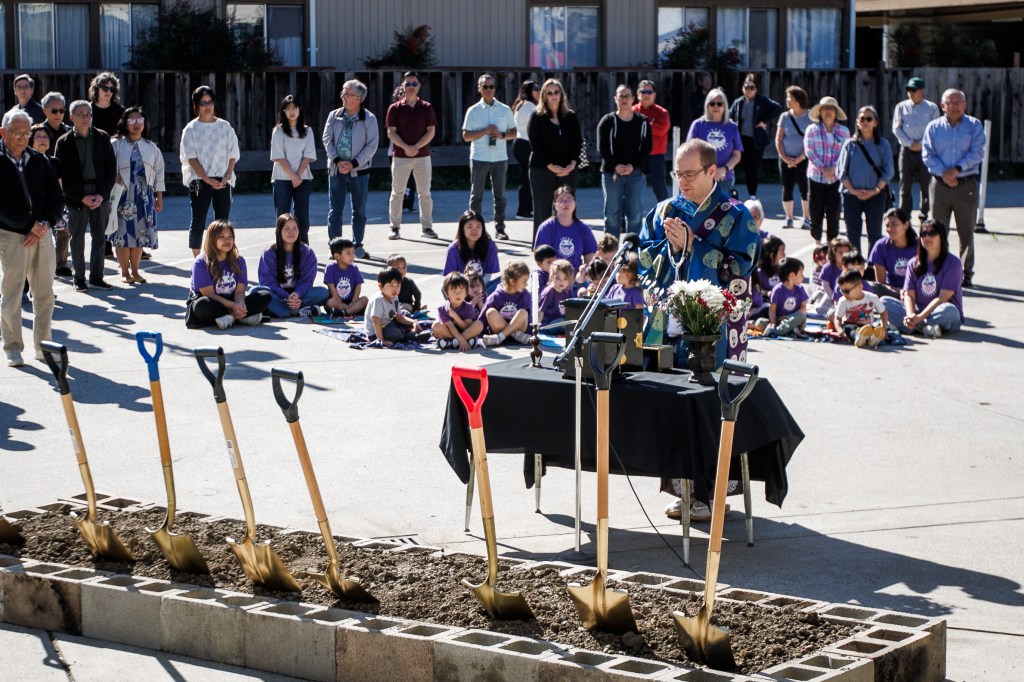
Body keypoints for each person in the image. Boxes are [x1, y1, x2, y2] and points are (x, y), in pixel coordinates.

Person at [638, 139, 761, 366]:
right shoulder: (664, 211)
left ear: (711, 171)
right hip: (665, 326)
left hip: (713, 331)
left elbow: (740, 269)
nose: (682, 182)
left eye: (690, 174)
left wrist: (694, 246)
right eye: (677, 174)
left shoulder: (736, 215)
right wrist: (671, 250)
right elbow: (643, 258)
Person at [0, 110, 62, 367]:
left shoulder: (39, 159)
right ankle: (13, 347)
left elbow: (56, 198)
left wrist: (44, 223)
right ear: (3, 134)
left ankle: (43, 346)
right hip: (12, 234)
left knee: (45, 293)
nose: (23, 138)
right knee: (13, 294)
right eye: (16, 133)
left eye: (26, 133)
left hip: (43, 233)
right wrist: (28, 226)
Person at [922, 89, 985, 288]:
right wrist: (945, 173)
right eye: (950, 102)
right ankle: (941, 270)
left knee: (966, 231)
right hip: (940, 185)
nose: (955, 105)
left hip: (965, 185)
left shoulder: (974, 125)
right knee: (938, 231)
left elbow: (978, 152)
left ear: (965, 105)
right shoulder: (933, 127)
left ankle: (966, 274)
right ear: (942, 105)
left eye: (959, 101)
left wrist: (956, 170)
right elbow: (928, 155)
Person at [53, 100, 116, 291]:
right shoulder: (64, 142)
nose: (85, 117)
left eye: (88, 114)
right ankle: (78, 277)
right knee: (77, 237)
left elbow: (110, 169)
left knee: (99, 238)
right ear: (71, 117)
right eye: (81, 114)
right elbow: (61, 174)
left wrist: (101, 194)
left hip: (99, 195)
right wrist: (81, 196)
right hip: (76, 197)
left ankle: (97, 277)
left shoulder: (102, 137)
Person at [180, 86, 240, 256]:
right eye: (203, 103)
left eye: (210, 102)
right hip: (200, 180)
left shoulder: (224, 126)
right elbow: (190, 157)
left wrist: (228, 174)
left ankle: (221, 257)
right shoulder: (190, 129)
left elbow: (233, 152)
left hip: (223, 179)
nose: (207, 106)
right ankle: (198, 261)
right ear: (196, 106)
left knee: (222, 223)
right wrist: (206, 178)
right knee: (198, 221)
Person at [881, 219, 964, 338]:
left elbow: (942, 298)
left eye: (932, 233)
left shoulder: (953, 263)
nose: (927, 237)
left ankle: (915, 327)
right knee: (884, 302)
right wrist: (911, 315)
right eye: (923, 234)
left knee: (949, 311)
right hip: (918, 312)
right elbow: (909, 295)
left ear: (942, 237)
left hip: (939, 312)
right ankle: (925, 329)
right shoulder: (913, 263)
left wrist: (919, 318)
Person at [324, 80, 378, 258]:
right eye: (343, 92)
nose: (343, 96)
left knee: (359, 210)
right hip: (336, 169)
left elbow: (372, 146)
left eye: (347, 94)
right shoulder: (334, 115)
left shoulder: (369, 119)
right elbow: (327, 140)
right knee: (335, 210)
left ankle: (357, 245)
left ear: (358, 98)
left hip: (359, 171)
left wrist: (354, 163)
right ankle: (335, 246)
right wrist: (338, 160)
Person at [110, 106, 163, 284]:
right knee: (123, 235)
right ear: (125, 123)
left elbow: (159, 172)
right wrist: (112, 176)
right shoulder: (116, 144)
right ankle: (124, 272)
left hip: (144, 196)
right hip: (123, 194)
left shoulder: (151, 147)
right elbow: (107, 166)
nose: (136, 124)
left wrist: (158, 196)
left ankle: (136, 271)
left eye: (140, 120)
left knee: (140, 233)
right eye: (132, 120)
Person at [185, 220, 270, 330]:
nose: (227, 240)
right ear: (212, 239)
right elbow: (209, 294)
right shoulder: (200, 263)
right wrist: (233, 306)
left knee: (265, 295)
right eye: (222, 237)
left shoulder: (239, 260)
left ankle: (232, 317)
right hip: (213, 302)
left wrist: (240, 303)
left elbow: (239, 291)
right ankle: (240, 317)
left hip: (232, 300)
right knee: (202, 305)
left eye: (230, 236)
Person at [463, 74, 517, 240]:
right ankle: (475, 229)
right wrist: (484, 131)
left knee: (500, 195)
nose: (488, 90)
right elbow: (466, 136)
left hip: (500, 157)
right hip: (480, 157)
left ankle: (500, 228)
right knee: (476, 195)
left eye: (491, 86)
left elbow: (514, 132)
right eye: (485, 87)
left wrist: (501, 135)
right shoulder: (473, 110)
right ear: (479, 89)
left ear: (495, 88)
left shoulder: (505, 109)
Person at [386, 71, 437, 240]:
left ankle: (427, 227)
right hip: (400, 157)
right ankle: (394, 227)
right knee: (397, 193)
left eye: (414, 83)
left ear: (419, 86)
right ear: (402, 86)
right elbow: (391, 133)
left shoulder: (427, 107)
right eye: (407, 84)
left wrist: (416, 147)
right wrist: (406, 148)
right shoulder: (394, 108)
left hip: (422, 156)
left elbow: (431, 131)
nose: (411, 87)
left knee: (425, 193)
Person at [527, 78, 582, 235]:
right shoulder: (537, 116)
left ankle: (568, 245)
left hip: (567, 170)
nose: (553, 96)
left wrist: (572, 164)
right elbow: (535, 145)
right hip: (542, 170)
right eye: (549, 93)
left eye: (556, 92)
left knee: (567, 209)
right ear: (544, 95)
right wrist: (551, 166)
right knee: (542, 210)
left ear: (561, 94)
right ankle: (541, 250)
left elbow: (577, 142)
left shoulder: (570, 116)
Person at [838, 105, 894, 257]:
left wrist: (875, 190)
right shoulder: (849, 144)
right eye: (862, 119)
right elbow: (841, 172)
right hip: (851, 195)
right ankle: (855, 264)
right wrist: (854, 191)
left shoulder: (883, 145)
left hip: (875, 195)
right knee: (853, 233)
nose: (865, 122)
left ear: (875, 122)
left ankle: (872, 266)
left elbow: (888, 172)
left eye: (869, 119)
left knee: (875, 233)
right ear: (857, 122)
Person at [597, 84, 652, 237]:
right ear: (616, 99)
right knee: (612, 215)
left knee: (635, 215)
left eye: (627, 96)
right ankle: (611, 252)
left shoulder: (642, 122)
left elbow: (646, 148)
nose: (624, 99)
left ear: (633, 99)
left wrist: (632, 166)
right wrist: (616, 165)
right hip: (611, 173)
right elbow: (602, 148)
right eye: (621, 96)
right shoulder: (607, 121)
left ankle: (633, 254)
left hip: (635, 173)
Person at [253, 214, 328, 319]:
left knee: (323, 292)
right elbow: (267, 282)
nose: (291, 232)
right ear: (279, 231)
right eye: (287, 228)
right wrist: (286, 296)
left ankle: (282, 311)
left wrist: (297, 294)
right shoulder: (269, 253)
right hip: (278, 295)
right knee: (255, 291)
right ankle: (297, 311)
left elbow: (307, 281)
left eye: (295, 228)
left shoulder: (307, 252)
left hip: (299, 296)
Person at [892, 77, 940, 221]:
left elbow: (935, 129)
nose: (910, 93)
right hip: (907, 150)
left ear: (922, 90)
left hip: (926, 150)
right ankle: (904, 213)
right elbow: (896, 128)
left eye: (914, 90)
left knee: (926, 183)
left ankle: (924, 211)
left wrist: (922, 143)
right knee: (905, 184)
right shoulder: (901, 107)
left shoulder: (932, 108)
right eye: (908, 90)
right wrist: (909, 142)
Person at [270, 95, 316, 246]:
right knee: (283, 216)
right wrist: (292, 175)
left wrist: (298, 176)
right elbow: (279, 156)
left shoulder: (308, 131)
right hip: (282, 178)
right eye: (287, 109)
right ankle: (282, 249)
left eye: (294, 108)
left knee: (302, 217)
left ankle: (304, 249)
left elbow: (308, 156)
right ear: (283, 111)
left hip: (303, 179)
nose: (291, 112)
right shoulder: (278, 131)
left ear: (299, 110)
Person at [804, 96, 850, 245]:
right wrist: (823, 168)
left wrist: (834, 168)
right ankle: (817, 243)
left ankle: (832, 244)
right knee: (815, 212)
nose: (828, 112)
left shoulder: (844, 131)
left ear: (836, 113)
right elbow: (809, 150)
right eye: (825, 109)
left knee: (834, 213)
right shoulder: (812, 129)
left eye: (831, 109)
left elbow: (846, 153)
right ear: (820, 112)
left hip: (836, 178)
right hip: (816, 176)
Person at [729, 73, 781, 200]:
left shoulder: (761, 101)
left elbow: (777, 108)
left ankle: (752, 196)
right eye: (746, 87)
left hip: (755, 141)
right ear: (742, 88)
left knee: (752, 169)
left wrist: (764, 120)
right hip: (740, 140)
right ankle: (730, 192)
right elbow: (729, 116)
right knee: (732, 166)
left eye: (752, 87)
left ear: (756, 89)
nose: (749, 90)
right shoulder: (738, 102)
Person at [30, 122, 71, 278]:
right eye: (38, 136)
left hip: (54, 204)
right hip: (36, 208)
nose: (42, 139)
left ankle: (61, 264)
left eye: (45, 136)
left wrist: (60, 204)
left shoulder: (54, 161)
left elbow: (59, 186)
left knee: (63, 231)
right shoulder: (28, 160)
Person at [686, 88, 742, 197]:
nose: (716, 106)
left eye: (719, 104)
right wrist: (707, 171)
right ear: (707, 105)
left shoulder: (732, 127)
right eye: (712, 103)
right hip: (701, 176)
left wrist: (722, 170)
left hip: (724, 177)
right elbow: (690, 151)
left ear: (725, 106)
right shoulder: (698, 125)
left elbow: (737, 155)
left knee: (722, 212)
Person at [534, 186, 597, 272]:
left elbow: (590, 259)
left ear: (575, 203)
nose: (565, 203)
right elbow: (541, 259)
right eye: (561, 200)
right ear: (555, 205)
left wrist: (584, 276)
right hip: (552, 277)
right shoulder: (546, 228)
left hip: (576, 277)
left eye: (569, 199)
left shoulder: (584, 228)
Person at [775, 85, 812, 229]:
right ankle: (789, 218)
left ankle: (807, 219)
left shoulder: (809, 117)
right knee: (787, 187)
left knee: (805, 188)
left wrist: (800, 157)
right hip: (785, 158)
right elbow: (778, 139)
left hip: (804, 158)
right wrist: (784, 157)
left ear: (798, 99)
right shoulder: (784, 116)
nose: (787, 100)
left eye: (790, 97)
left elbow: (810, 140)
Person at [633, 80, 671, 203]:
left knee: (660, 189)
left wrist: (641, 125)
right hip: (635, 156)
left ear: (654, 95)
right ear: (637, 94)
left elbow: (661, 130)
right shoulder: (631, 111)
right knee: (632, 189)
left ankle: (666, 216)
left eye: (649, 91)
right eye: (643, 91)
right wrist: (651, 125)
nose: (646, 94)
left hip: (655, 157)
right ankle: (627, 220)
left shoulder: (662, 113)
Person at [479, 260, 532, 346]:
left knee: (523, 312)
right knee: (490, 312)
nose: (526, 285)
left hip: (519, 331)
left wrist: (532, 334)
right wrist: (479, 337)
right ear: (512, 281)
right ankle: (513, 335)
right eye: (524, 281)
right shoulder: (495, 296)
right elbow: (482, 319)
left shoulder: (525, 295)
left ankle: (500, 338)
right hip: (514, 334)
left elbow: (529, 318)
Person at [869, 208, 919, 299]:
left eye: (894, 224)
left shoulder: (919, 245)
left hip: (916, 291)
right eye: (887, 225)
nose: (890, 229)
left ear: (906, 225)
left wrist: (909, 292)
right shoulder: (880, 246)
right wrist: (900, 291)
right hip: (894, 292)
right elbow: (881, 283)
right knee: (875, 288)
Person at [443, 210, 500, 287]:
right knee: (445, 288)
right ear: (462, 228)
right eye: (470, 226)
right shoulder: (453, 248)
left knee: (503, 281)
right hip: (461, 288)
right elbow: (450, 277)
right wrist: (468, 288)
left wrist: (477, 287)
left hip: (483, 286)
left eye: (478, 226)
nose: (474, 230)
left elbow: (488, 274)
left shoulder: (490, 246)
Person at [834, 269, 888, 348]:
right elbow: (838, 318)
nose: (844, 294)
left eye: (847, 291)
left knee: (875, 328)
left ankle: (873, 339)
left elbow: (883, 312)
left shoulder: (872, 298)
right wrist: (840, 330)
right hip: (851, 324)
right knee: (849, 328)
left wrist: (884, 328)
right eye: (842, 291)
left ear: (860, 287)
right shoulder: (843, 301)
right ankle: (858, 337)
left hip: (868, 325)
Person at [365, 266, 418, 345]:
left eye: (398, 286)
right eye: (391, 285)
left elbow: (399, 317)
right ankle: (406, 334)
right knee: (394, 333)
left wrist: (413, 322)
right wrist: (381, 341)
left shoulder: (395, 297)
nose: (395, 289)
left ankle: (406, 331)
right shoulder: (378, 300)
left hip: (389, 323)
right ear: (380, 286)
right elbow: (376, 322)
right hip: (377, 333)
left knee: (405, 313)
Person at [511, 80, 540, 220]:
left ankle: (526, 209)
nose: (539, 91)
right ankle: (523, 211)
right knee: (528, 178)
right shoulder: (529, 107)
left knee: (527, 178)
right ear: (528, 91)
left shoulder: (522, 104)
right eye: (536, 89)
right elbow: (534, 129)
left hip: (521, 144)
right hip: (525, 145)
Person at [433, 271, 484, 350]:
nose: (458, 295)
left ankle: (452, 343)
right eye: (454, 292)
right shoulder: (443, 308)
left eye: (461, 291)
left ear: (466, 293)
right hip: (449, 332)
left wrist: (455, 316)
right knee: (436, 326)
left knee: (479, 324)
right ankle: (463, 341)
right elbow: (451, 326)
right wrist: (461, 340)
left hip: (465, 331)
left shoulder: (468, 307)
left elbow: (466, 327)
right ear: (446, 293)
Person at [760, 258, 808, 338]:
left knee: (802, 316)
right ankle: (789, 330)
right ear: (792, 275)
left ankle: (777, 331)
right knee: (760, 322)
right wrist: (773, 324)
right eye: (801, 273)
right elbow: (772, 310)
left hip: (793, 319)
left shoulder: (800, 289)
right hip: (779, 320)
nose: (803, 276)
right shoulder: (777, 289)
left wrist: (787, 317)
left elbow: (803, 309)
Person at [323, 237, 368, 318]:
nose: (352, 256)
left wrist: (354, 301)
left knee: (365, 299)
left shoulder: (354, 268)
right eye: (348, 253)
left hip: (351, 302)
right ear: (337, 256)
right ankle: (347, 311)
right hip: (336, 302)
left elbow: (358, 285)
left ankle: (345, 312)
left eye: (353, 252)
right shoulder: (330, 268)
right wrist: (340, 303)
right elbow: (331, 287)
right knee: (330, 302)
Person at [538, 258, 574, 324]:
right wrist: (537, 328)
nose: (561, 281)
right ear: (552, 277)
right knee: (564, 324)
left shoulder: (566, 292)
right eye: (557, 278)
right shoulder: (549, 292)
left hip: (560, 320)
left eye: (565, 279)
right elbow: (540, 312)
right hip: (548, 323)